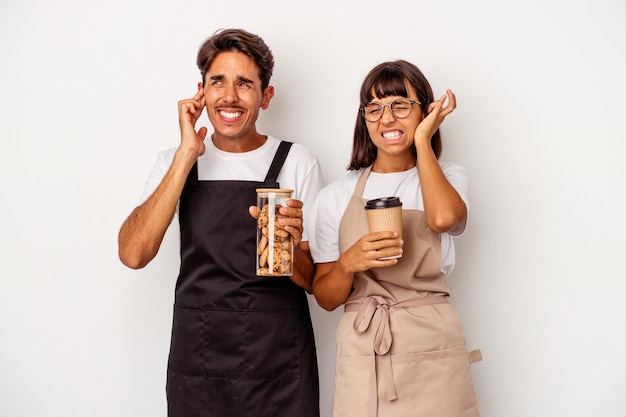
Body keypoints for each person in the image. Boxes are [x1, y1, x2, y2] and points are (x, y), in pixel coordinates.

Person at [118, 28, 321, 417]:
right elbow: (133, 253)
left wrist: (289, 248)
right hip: (199, 363)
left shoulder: (297, 162)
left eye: (244, 84)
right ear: (201, 91)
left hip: (277, 366)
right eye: (218, 82)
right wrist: (186, 154)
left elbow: (316, 283)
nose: (229, 96)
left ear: (266, 96)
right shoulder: (174, 162)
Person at [308, 60, 481, 417]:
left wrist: (423, 142)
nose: (387, 118)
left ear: (425, 112)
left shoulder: (446, 176)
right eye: (375, 108)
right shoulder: (335, 196)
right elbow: (325, 297)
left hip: (431, 343)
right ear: (364, 118)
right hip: (364, 348)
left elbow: (445, 218)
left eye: (401, 105)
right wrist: (347, 264)